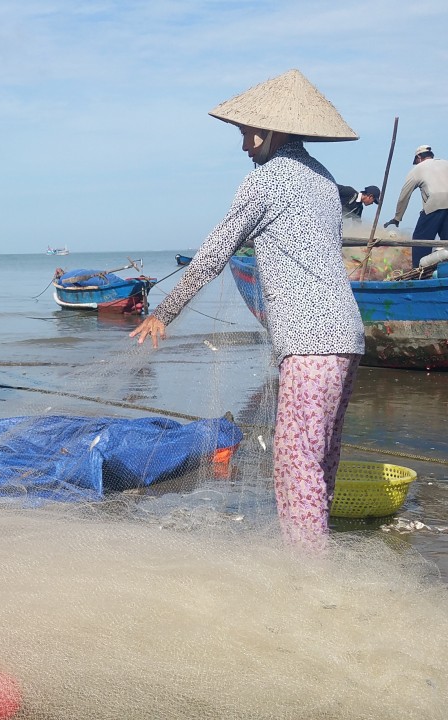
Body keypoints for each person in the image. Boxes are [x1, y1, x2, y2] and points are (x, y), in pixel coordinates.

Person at [130, 69, 365, 551]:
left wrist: (164, 312)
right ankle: (318, 559)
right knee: (319, 463)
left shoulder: (267, 181)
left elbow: (215, 252)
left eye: (245, 134)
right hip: (346, 337)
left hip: (310, 342)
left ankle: (310, 578)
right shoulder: (322, 178)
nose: (243, 146)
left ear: (272, 131)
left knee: (296, 465)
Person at [384, 145, 448, 265]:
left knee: (420, 241)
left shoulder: (419, 168)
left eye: (416, 161)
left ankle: (418, 272)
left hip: (435, 203)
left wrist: (397, 218)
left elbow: (404, 195)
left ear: (419, 157)